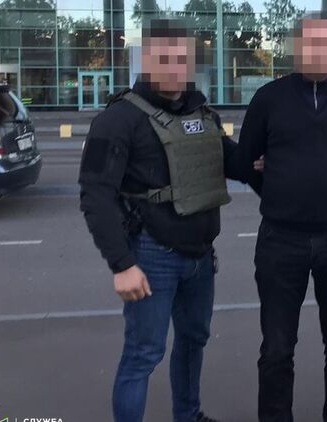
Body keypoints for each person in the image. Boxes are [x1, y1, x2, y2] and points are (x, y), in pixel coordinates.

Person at [78, 19, 259, 422]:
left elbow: (230, 161)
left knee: (193, 341)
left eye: (183, 59)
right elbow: (95, 195)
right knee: (143, 354)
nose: (176, 68)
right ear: (146, 60)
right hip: (151, 256)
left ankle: (188, 415)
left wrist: (264, 159)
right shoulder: (118, 119)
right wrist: (122, 265)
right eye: (165, 58)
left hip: (200, 257)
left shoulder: (200, 111)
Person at [236, 13, 327, 422]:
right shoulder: (269, 99)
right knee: (277, 349)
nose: (318, 51)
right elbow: (247, 161)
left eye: (326, 43)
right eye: (310, 42)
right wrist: (282, 194)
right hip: (280, 240)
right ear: (296, 48)